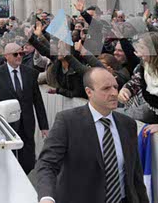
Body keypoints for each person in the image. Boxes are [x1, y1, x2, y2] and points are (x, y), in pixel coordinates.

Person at [35, 67, 149, 203]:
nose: (114, 93)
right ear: (89, 92)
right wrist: (47, 197)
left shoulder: (128, 124)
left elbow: (135, 174)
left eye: (115, 87)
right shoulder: (68, 121)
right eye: (106, 88)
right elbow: (47, 164)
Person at [0, 42, 49, 174]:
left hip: (27, 123)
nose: (19, 56)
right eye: (15, 54)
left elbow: (38, 101)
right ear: (6, 56)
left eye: (21, 53)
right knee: (9, 157)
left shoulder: (30, 73)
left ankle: (27, 176)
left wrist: (44, 126)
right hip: (6, 124)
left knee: (28, 158)